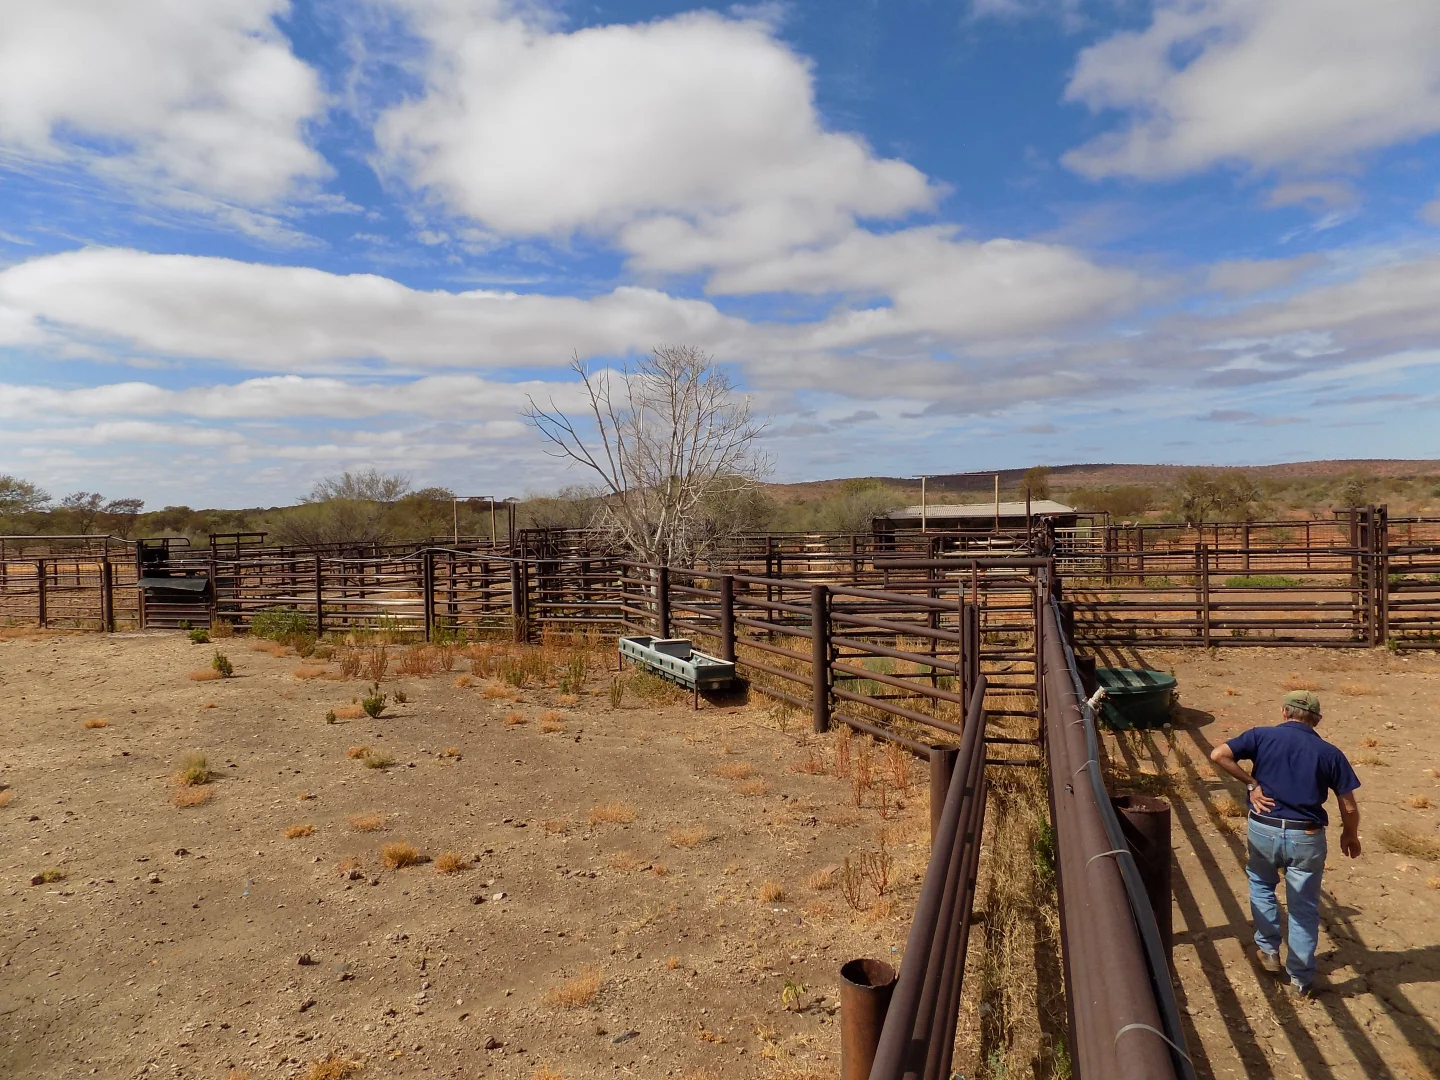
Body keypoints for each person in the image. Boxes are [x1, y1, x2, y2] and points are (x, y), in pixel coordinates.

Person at [1209, 690, 1362, 997]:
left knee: (1262, 885)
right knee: (1303, 908)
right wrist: (1350, 833)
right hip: (1306, 836)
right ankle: (1301, 981)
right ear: (1316, 720)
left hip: (1263, 828)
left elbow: (1218, 754)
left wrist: (1252, 784)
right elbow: (1348, 805)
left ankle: (1268, 950)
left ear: (1284, 712)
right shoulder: (1329, 752)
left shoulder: (1261, 736)